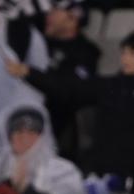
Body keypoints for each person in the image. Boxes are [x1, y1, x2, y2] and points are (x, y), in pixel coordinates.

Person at [8, 30, 134, 178]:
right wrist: (30, 73)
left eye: (133, 53)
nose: (125, 58)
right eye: (124, 53)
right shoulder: (111, 85)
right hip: (104, 166)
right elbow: (68, 89)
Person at [39, 1, 100, 160]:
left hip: (55, 123)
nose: (48, 15)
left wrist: (32, 75)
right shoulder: (38, 42)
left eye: (55, 12)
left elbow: (69, 92)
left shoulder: (86, 53)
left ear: (73, 18)